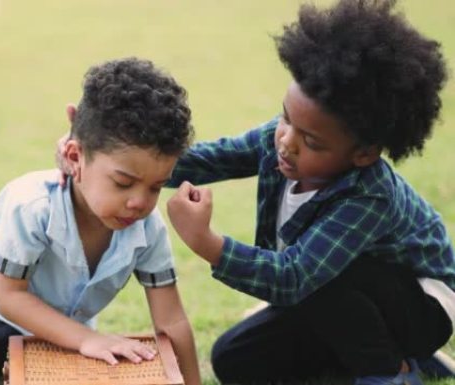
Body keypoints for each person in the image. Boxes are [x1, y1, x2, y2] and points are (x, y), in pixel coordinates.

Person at [164, 0, 453, 384]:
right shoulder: (279, 140)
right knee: (233, 359)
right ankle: (368, 358)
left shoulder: (370, 195)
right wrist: (131, 155)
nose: (286, 142)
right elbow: (210, 159)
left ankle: (391, 369)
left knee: (328, 274)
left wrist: (207, 243)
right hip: (334, 297)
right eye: (286, 118)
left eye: (311, 142)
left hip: (420, 308)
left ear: (364, 153)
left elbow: (295, 276)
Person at [0, 57, 201, 385]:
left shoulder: (148, 227)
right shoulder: (32, 204)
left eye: (156, 187)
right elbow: (8, 297)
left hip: (58, 331)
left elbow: (171, 321)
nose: (140, 202)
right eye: (122, 183)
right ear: (75, 157)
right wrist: (89, 339)